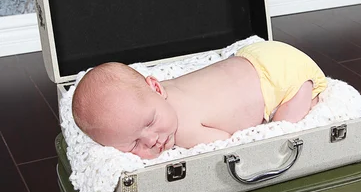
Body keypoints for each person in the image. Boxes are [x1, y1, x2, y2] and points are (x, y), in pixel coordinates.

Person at [72, 41, 327, 159]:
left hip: (284, 79)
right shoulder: (158, 92)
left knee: (283, 128)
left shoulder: (185, 132)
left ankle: (309, 96)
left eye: (150, 122)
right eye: (133, 144)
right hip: (257, 54)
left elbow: (226, 143)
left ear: (155, 87)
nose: (152, 140)